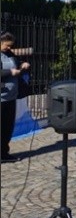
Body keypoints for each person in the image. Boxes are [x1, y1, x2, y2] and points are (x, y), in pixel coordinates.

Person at [1, 32, 30, 163]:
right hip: (1, 97)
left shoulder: (10, 54)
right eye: (7, 45)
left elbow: (16, 62)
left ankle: (3, 153)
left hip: (11, 96)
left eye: (11, 46)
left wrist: (22, 64)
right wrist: (10, 72)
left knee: (7, 127)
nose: (9, 48)